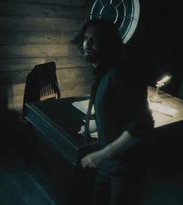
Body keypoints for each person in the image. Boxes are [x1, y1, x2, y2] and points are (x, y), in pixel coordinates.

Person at [74, 19, 154, 205]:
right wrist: (96, 124)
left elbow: (142, 125)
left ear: (109, 43)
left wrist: (102, 154)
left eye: (95, 39)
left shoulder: (120, 73)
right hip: (109, 162)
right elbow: (116, 112)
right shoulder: (105, 71)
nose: (88, 44)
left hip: (127, 167)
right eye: (86, 38)